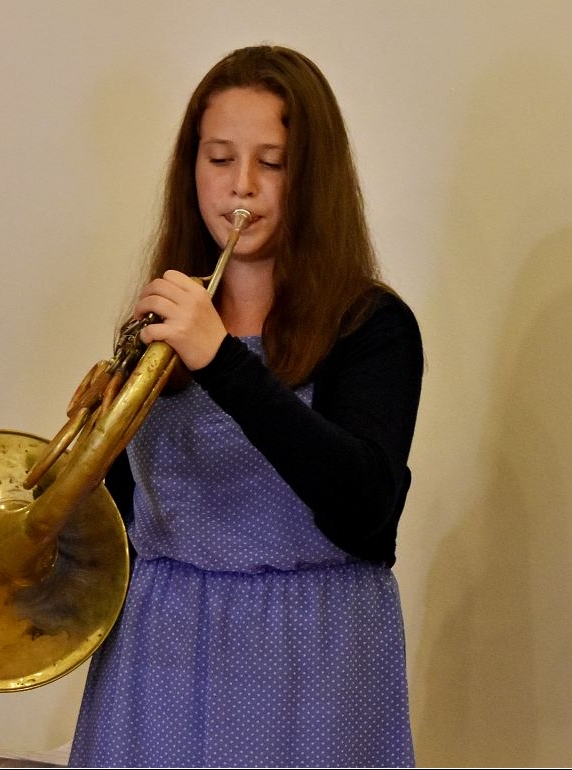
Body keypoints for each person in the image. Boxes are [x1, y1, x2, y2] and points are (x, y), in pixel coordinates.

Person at [70, 45, 423, 768]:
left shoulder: (372, 327)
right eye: (220, 158)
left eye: (273, 163)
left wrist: (223, 361)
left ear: (313, 177)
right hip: (157, 653)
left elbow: (365, 508)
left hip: (312, 655)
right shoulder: (160, 326)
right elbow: (124, 519)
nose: (242, 186)